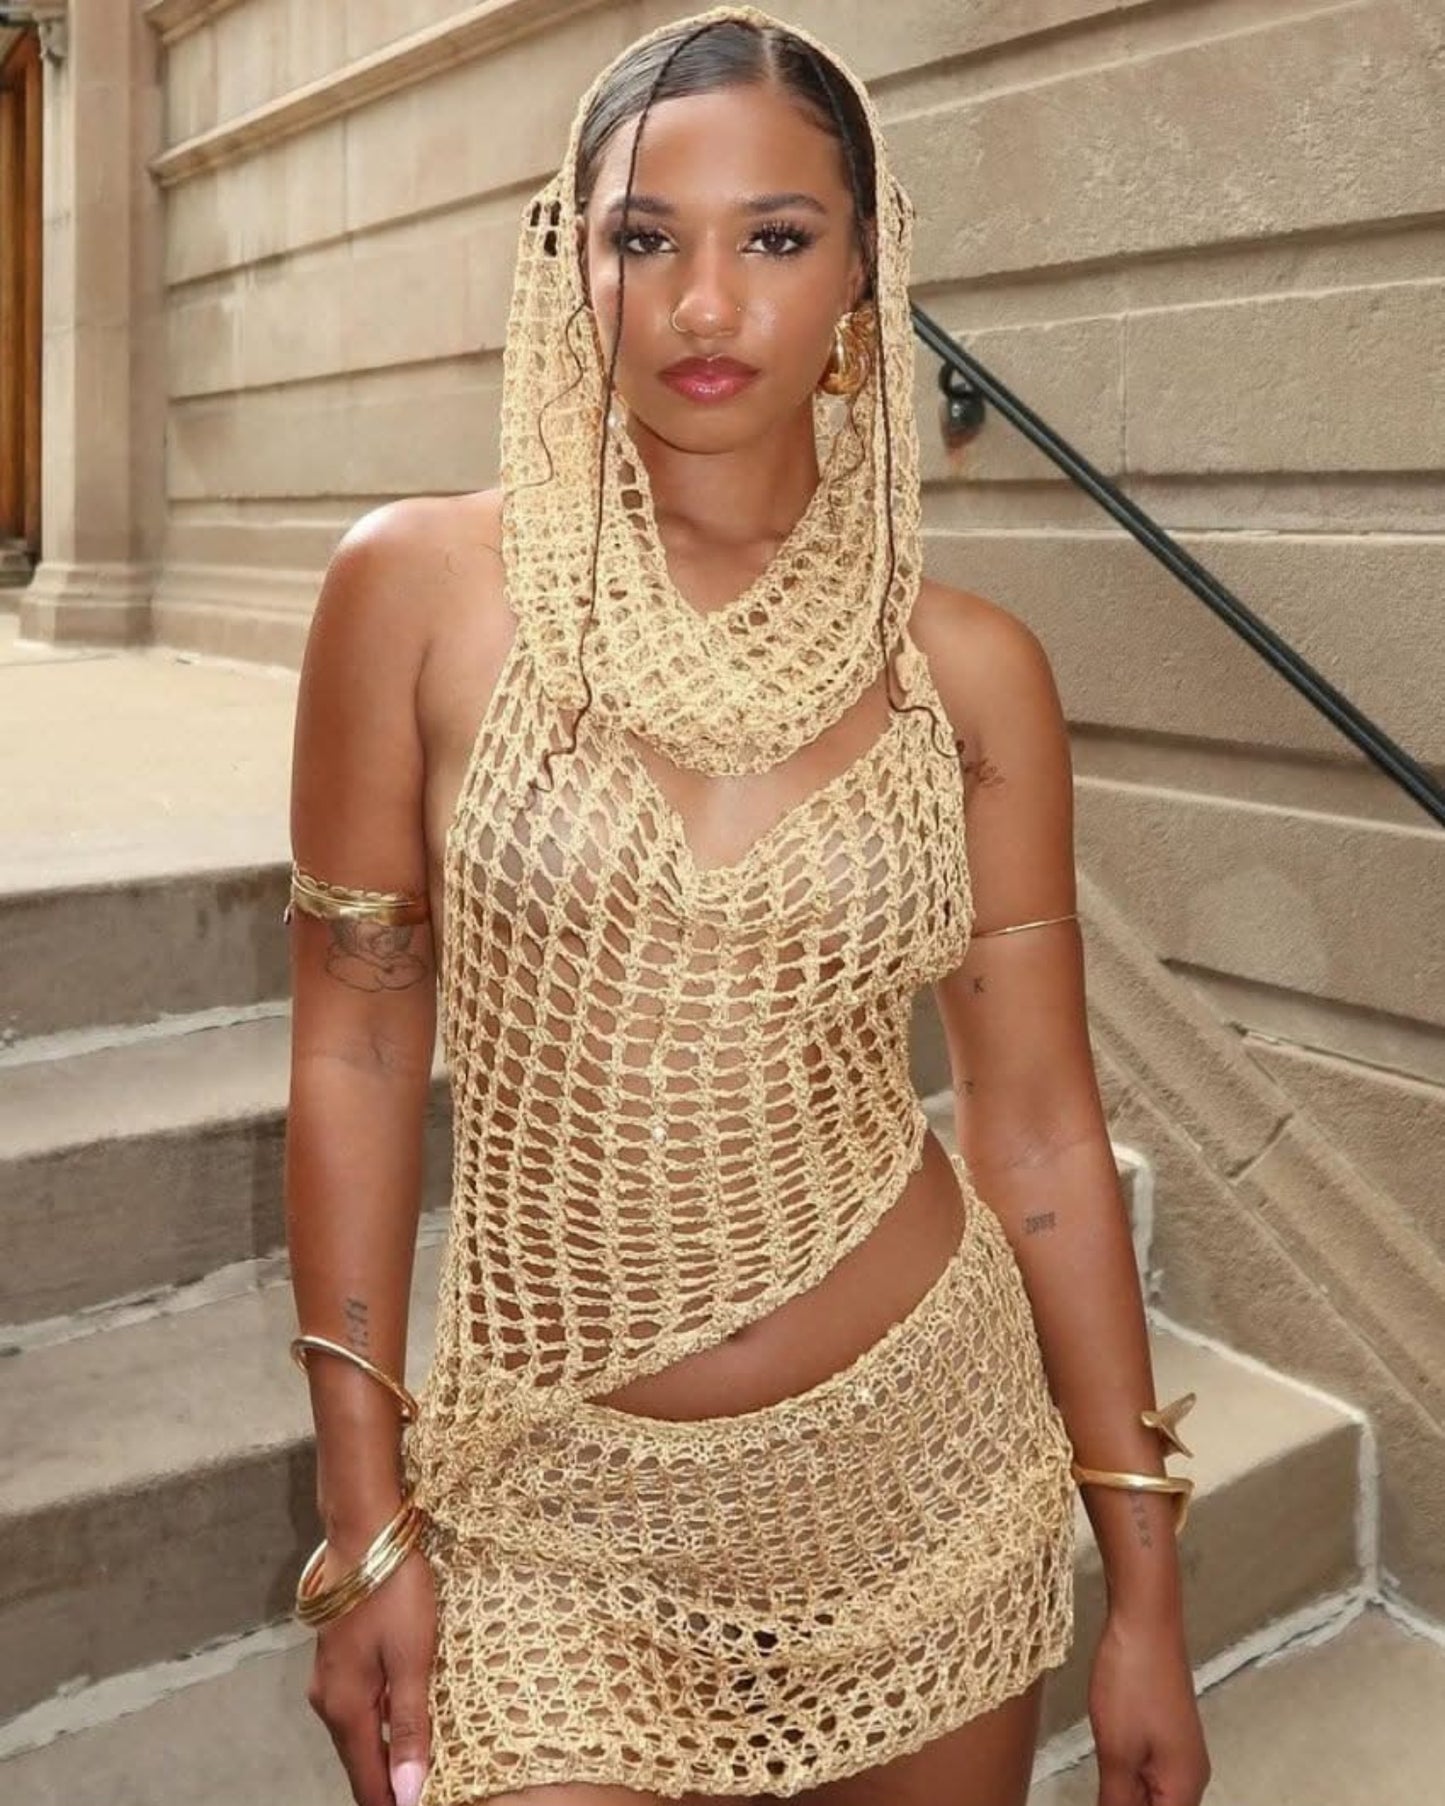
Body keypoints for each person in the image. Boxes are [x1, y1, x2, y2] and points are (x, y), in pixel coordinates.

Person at [283, 8, 1213, 1805]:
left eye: (776, 239)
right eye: (648, 238)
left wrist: (1143, 1584)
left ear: (867, 275)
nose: (706, 304)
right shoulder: (415, 590)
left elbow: (1034, 1129)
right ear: (575, 263)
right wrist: (366, 1513)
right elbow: (357, 1037)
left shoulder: (971, 674)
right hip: (551, 1498)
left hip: (924, 1483)